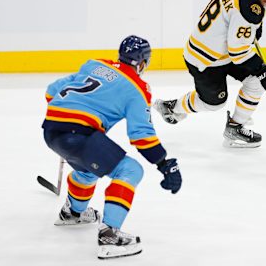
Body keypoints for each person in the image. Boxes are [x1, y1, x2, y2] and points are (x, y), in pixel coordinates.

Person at [42, 35, 182, 259]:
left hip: (51, 130)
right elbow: (141, 136)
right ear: (143, 63)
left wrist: (67, 115)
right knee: (130, 170)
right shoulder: (138, 89)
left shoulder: (95, 64)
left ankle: (73, 213)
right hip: (80, 135)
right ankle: (110, 235)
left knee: (87, 169)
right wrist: (164, 164)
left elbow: (51, 91)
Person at [154, 0, 266, 148]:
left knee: (255, 82)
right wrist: (265, 71)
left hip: (219, 48)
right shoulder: (248, 10)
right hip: (205, 58)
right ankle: (172, 107)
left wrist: (253, 31)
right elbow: (238, 52)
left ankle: (235, 126)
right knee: (214, 103)